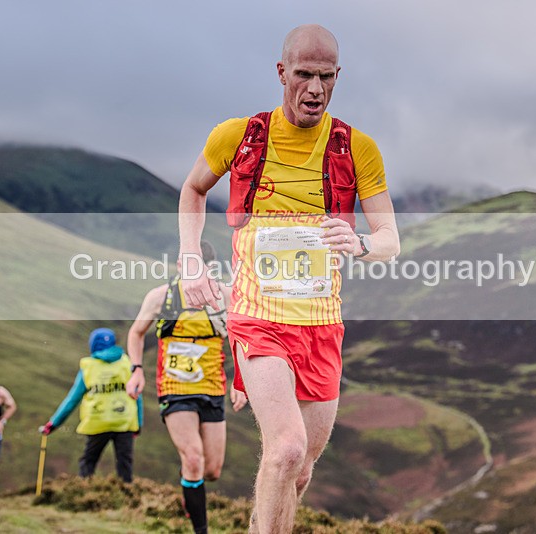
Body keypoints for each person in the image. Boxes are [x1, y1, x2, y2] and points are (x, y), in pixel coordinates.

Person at [175, 24, 400, 532]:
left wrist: (363, 243)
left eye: (326, 77)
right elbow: (192, 191)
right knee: (285, 450)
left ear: (338, 76)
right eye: (304, 75)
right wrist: (191, 260)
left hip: (322, 327)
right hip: (258, 319)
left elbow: (390, 238)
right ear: (282, 73)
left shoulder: (356, 148)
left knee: (297, 473)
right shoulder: (239, 136)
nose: (315, 89)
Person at [126, 241, 247, 534]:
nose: (185, 271)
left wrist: (240, 381)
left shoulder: (225, 296)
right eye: (182, 265)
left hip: (212, 386)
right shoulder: (161, 298)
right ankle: (200, 530)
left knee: (211, 470)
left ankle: (188, 480)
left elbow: (242, 339)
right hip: (174, 387)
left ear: (209, 268)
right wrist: (136, 370)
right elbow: (136, 332)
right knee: (193, 457)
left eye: (194, 266)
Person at [40, 328, 142, 483]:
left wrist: (53, 423)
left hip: (97, 421)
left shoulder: (89, 367)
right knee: (124, 464)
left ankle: (83, 493)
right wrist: (138, 424)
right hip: (124, 421)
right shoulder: (127, 363)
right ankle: (128, 499)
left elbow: (72, 399)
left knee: (88, 462)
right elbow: (137, 395)